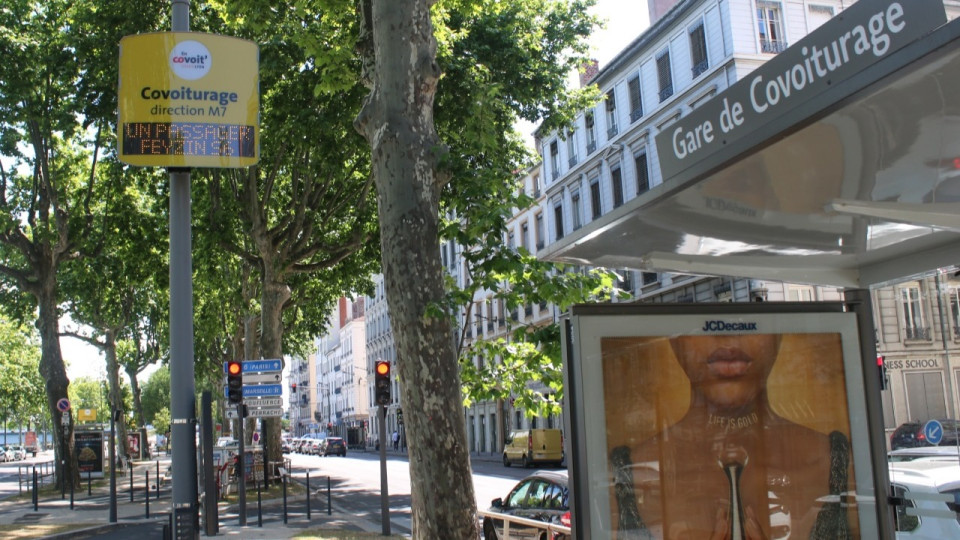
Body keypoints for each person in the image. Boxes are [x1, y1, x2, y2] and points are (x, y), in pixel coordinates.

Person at [609, 334, 853, 540]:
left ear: (777, 336)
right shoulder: (627, 475)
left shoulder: (838, 462)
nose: (727, 337)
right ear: (674, 340)